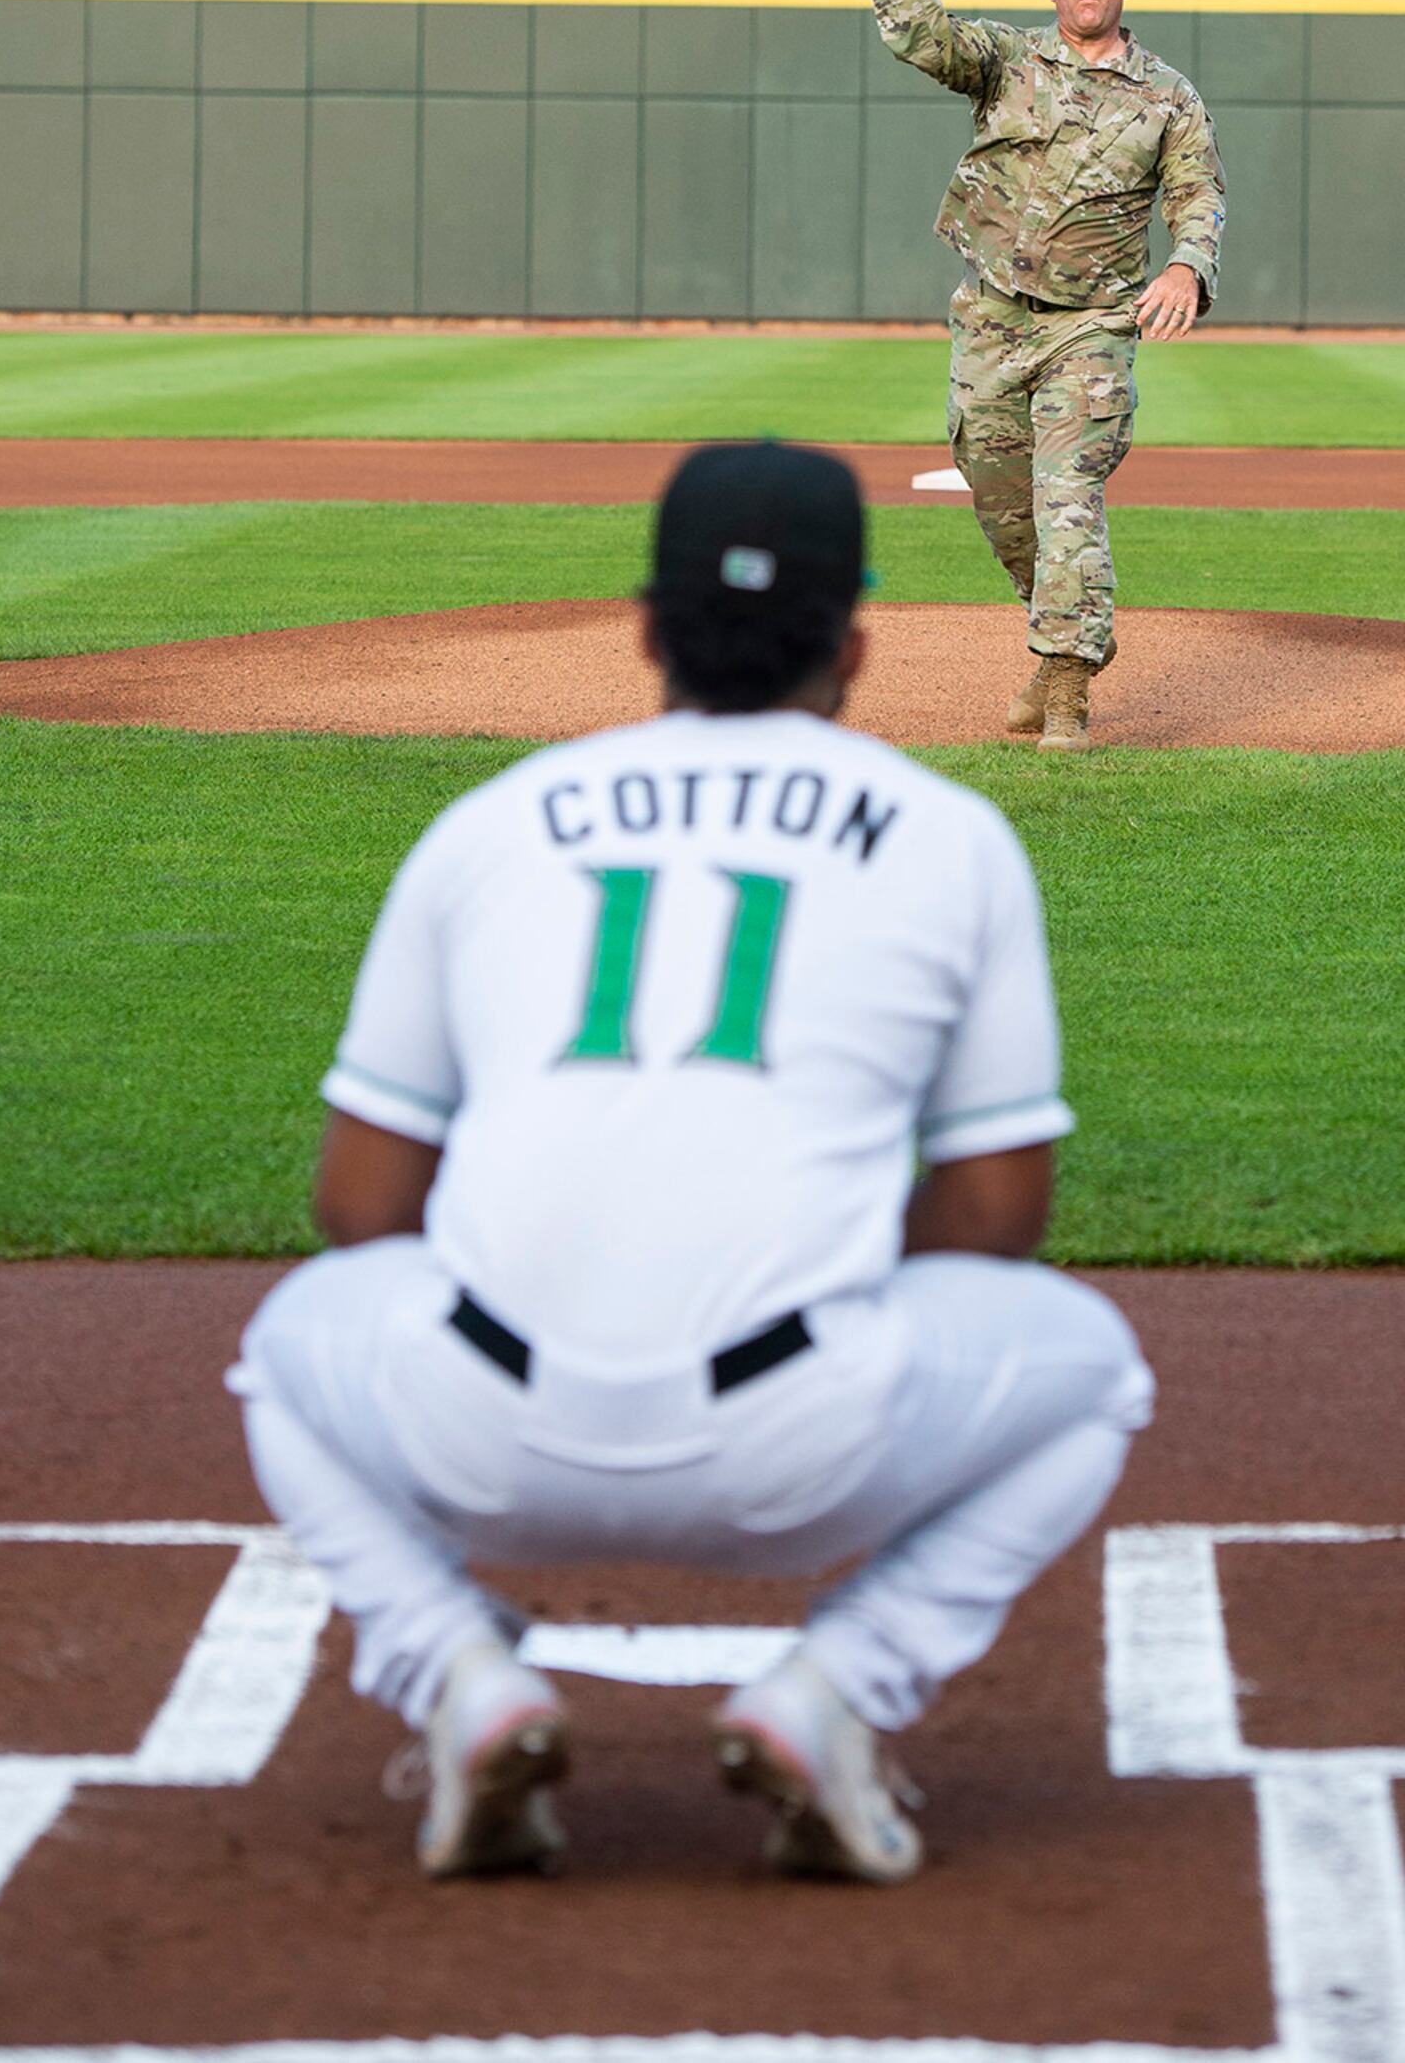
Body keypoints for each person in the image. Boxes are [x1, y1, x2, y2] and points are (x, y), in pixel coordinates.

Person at [229, 441, 1153, 1881]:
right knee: (1094, 1367)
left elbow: (360, 1206)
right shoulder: (949, 839)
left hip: (483, 1430)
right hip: (806, 1454)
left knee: (285, 1352)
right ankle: (839, 1687)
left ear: (648, 630)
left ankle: (459, 1673)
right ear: (854, 647)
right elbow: (997, 1211)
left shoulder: (487, 826)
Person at [861, 0, 1226, 753]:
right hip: (990, 315)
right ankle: (1067, 625)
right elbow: (915, 33)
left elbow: (1198, 194)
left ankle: (1065, 686)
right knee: (997, 492)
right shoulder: (1007, 61)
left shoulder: (1167, 99)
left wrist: (1188, 264)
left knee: (1068, 491)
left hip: (1094, 325)